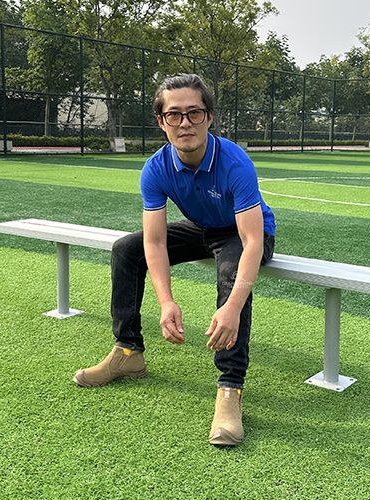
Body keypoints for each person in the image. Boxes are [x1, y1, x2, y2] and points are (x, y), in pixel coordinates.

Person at [73, 73, 276, 446]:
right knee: (126, 249)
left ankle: (230, 388)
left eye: (194, 113)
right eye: (174, 114)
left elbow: (251, 241)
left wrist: (232, 308)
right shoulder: (155, 167)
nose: (185, 123)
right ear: (161, 121)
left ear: (209, 117)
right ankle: (128, 351)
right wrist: (166, 302)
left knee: (232, 274)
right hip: (201, 227)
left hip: (246, 232)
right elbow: (154, 242)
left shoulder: (235, 161)